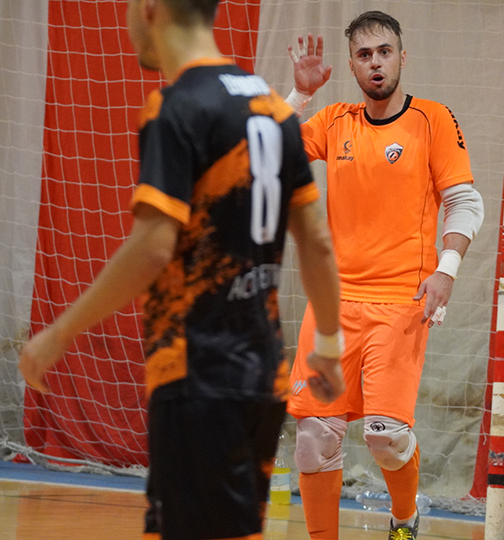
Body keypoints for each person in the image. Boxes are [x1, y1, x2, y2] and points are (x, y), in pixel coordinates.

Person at [18, 1, 346, 539]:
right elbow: (317, 244)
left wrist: (59, 334)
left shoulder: (177, 108)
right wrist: (328, 346)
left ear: (150, 8)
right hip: (263, 377)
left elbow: (152, 248)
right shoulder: (274, 110)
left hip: (199, 376)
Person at [283, 11, 485, 540]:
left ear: (402, 57)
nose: (376, 63)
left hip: (399, 303)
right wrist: (299, 95)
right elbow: (264, 149)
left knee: (386, 437)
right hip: (333, 305)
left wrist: (447, 269)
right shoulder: (335, 121)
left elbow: (464, 202)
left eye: (385, 52)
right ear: (352, 65)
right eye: (364, 54)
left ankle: (404, 517)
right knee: (312, 440)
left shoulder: (432, 119)